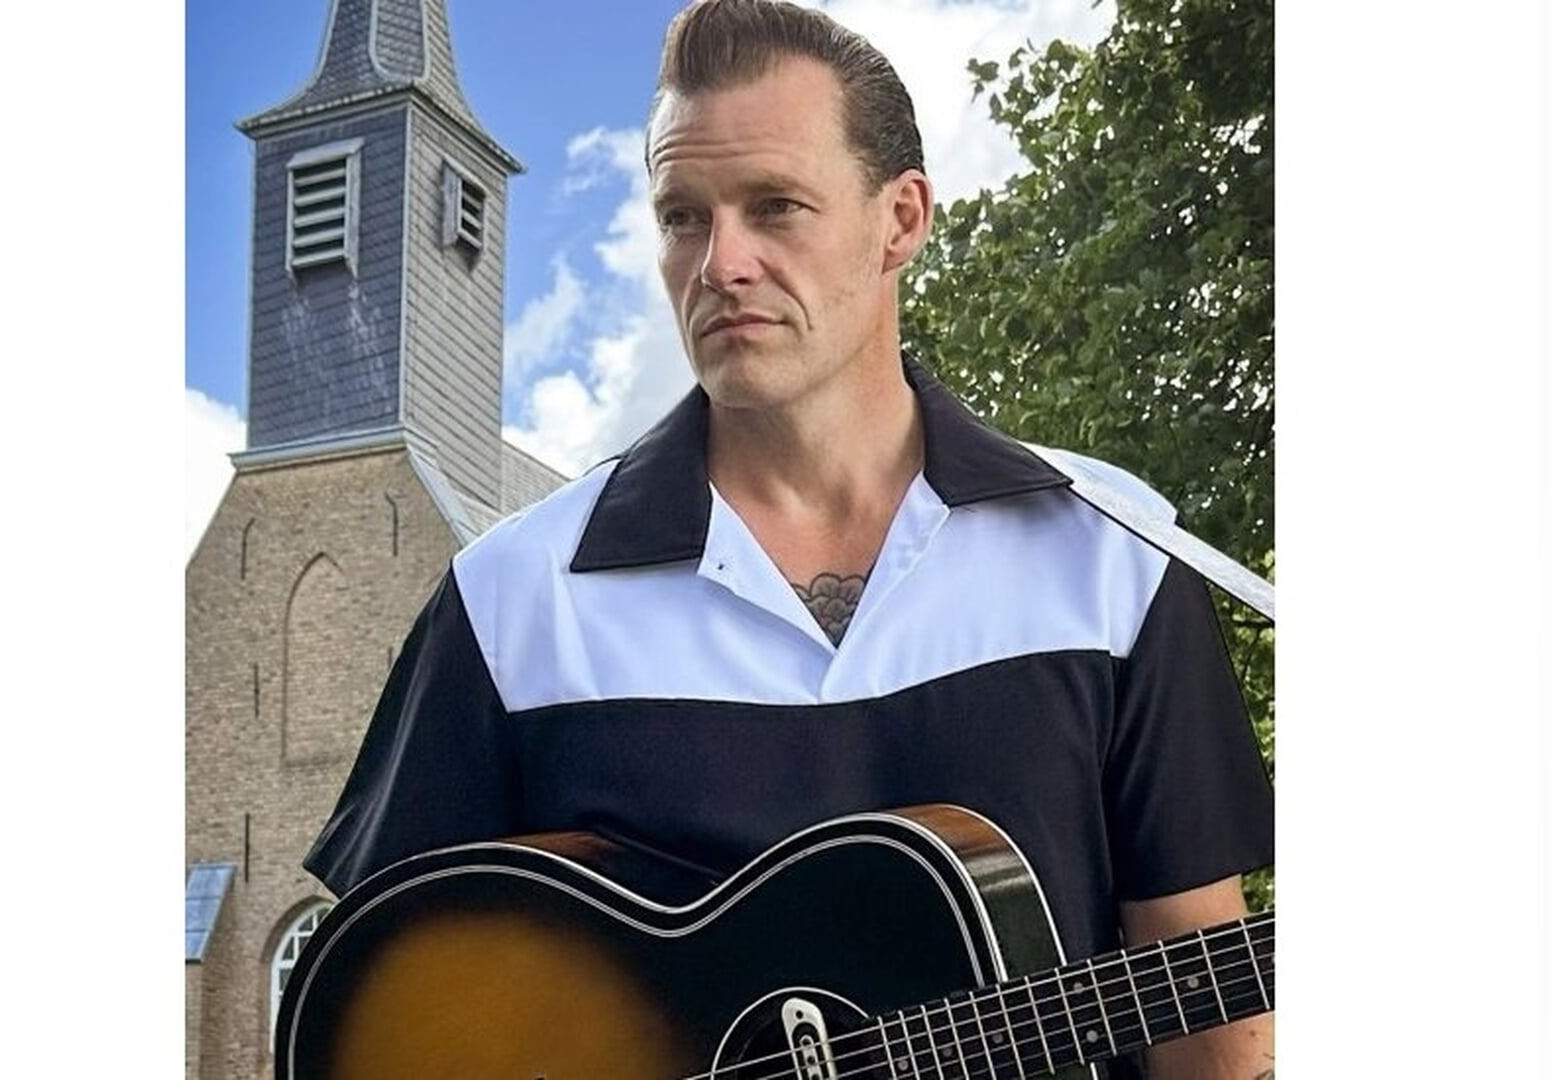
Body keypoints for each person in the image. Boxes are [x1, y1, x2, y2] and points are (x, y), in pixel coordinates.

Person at [304, 1, 1274, 1076]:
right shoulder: (510, 601)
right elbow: (372, 1002)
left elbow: (1210, 1025)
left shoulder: (1116, 559)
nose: (721, 262)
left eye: (775, 207)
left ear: (900, 219)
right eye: (683, 216)